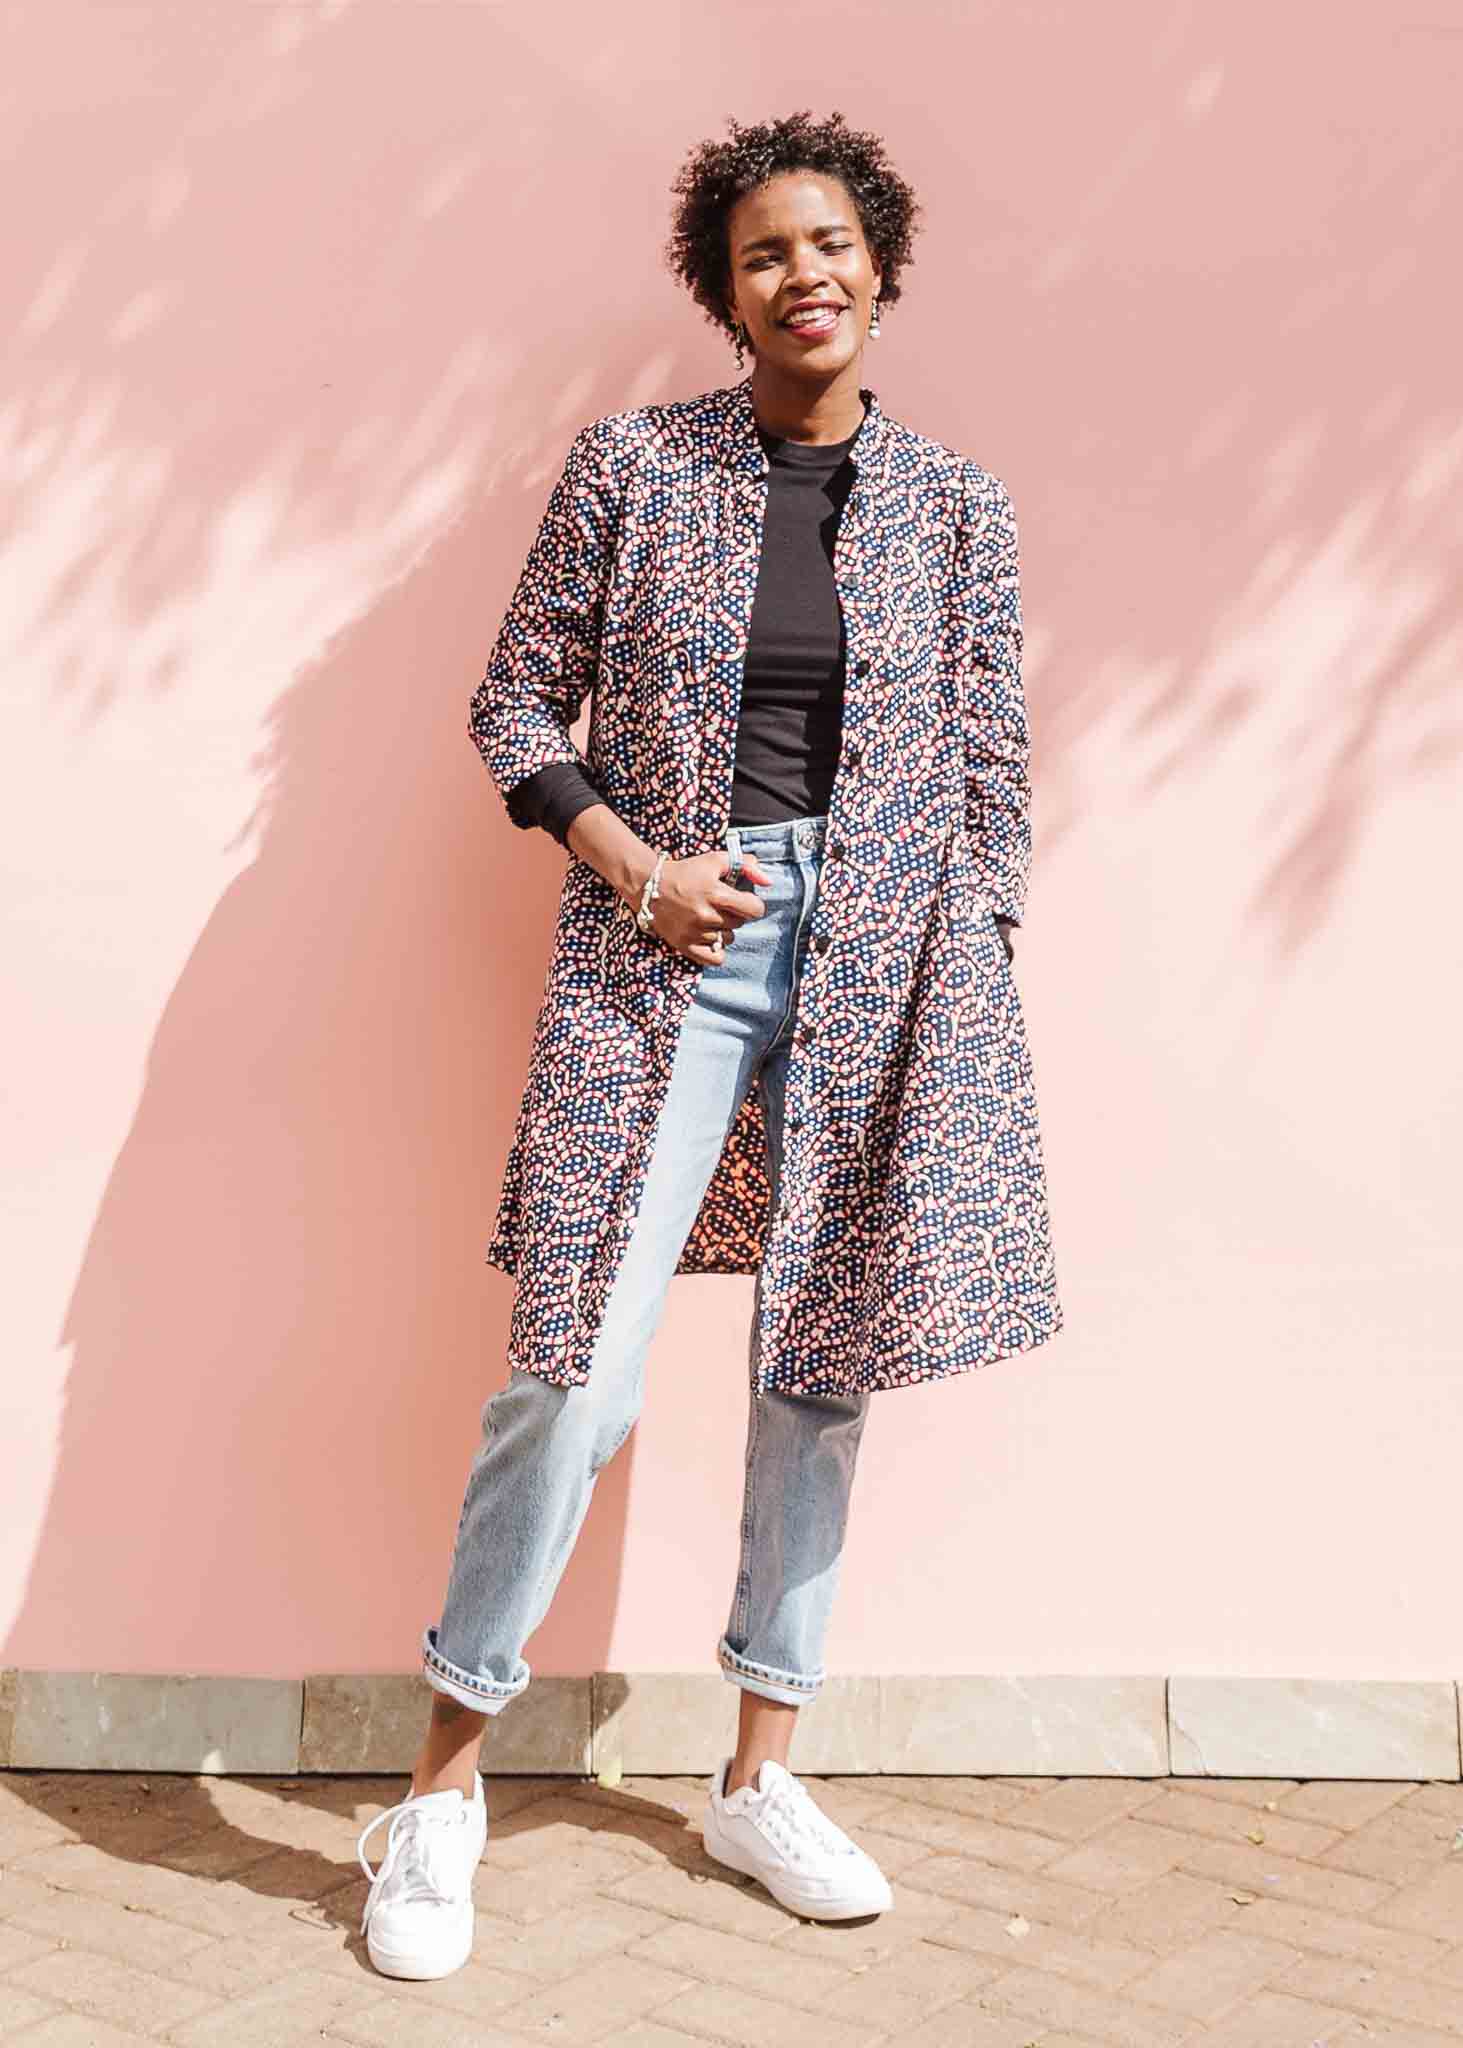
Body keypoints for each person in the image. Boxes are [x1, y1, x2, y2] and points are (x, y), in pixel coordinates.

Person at [357, 107, 1062, 1982]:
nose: (803, 273)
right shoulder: (634, 468)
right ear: (722, 291)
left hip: (889, 958)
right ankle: (435, 1795)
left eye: (832, 243)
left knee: (820, 1371)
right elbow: (517, 698)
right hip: (675, 939)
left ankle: (760, 1769)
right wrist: (638, 866)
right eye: (764, 251)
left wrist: (962, 936)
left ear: (884, 270)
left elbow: (997, 765)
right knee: (574, 1365)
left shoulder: (961, 507)